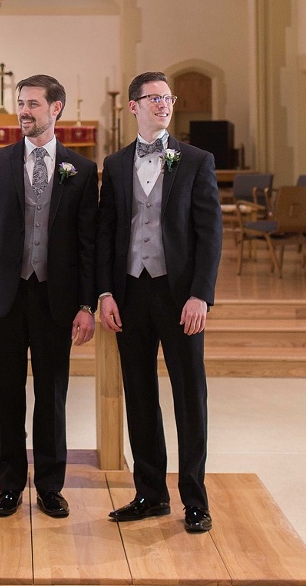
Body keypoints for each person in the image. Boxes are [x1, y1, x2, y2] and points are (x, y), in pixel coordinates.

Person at [0, 74, 98, 519]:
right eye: (21, 103)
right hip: (4, 298)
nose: (24, 111)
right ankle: (8, 486)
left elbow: (87, 244)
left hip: (54, 299)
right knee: (4, 396)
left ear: (56, 108)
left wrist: (86, 305)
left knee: (52, 395)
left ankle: (49, 486)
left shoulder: (81, 169)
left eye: (33, 104)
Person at [97, 72, 222, 534]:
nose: (163, 104)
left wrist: (200, 296)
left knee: (190, 397)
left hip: (180, 297)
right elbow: (107, 233)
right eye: (153, 98)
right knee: (141, 396)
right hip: (130, 294)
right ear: (133, 107)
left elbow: (211, 235)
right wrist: (105, 292)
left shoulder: (195, 160)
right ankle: (150, 494)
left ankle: (195, 500)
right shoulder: (113, 165)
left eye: (167, 98)